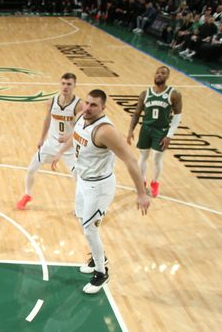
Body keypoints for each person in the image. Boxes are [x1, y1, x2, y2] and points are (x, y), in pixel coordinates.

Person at [51, 89, 150, 294]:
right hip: (83, 180)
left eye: (93, 105)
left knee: (90, 229)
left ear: (103, 108)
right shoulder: (82, 117)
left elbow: (131, 160)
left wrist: (141, 193)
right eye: (87, 103)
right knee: (81, 220)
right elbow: (77, 135)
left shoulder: (105, 131)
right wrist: (63, 146)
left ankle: (101, 272)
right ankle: (100, 257)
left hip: (100, 186)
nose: (87, 107)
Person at [17, 72, 83, 210]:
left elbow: (81, 127)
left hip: (69, 148)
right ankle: (27, 194)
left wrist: (70, 137)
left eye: (69, 84)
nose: (65, 87)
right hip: (51, 144)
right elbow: (47, 119)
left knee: (79, 177)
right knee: (31, 169)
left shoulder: (79, 105)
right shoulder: (51, 101)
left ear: (74, 86)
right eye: (63, 83)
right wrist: (42, 138)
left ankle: (81, 206)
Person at [126, 66, 182, 198]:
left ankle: (155, 183)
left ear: (167, 77)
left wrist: (169, 136)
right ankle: (142, 182)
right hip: (146, 128)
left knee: (157, 157)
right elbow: (136, 113)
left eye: (163, 73)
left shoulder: (174, 94)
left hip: (161, 130)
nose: (159, 75)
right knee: (143, 156)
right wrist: (130, 131)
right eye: (157, 73)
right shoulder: (145, 94)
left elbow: (177, 116)